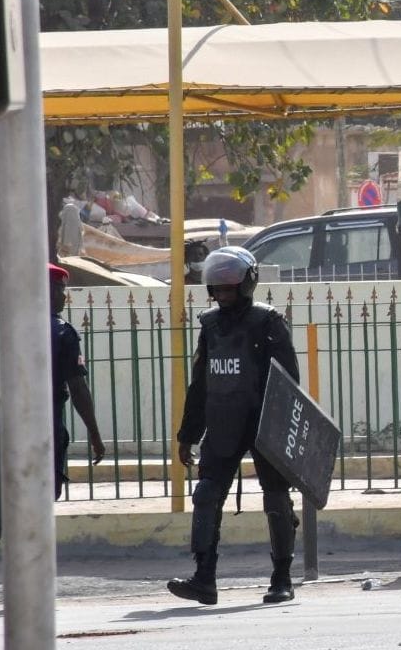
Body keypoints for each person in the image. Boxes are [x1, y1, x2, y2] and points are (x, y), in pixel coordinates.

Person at [167, 246, 301, 605]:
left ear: (247, 284)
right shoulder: (209, 326)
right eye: (218, 289)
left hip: (263, 423)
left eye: (229, 288)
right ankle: (203, 578)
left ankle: (282, 578)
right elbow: (200, 383)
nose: (223, 295)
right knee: (207, 495)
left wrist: (285, 432)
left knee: (275, 499)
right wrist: (187, 435)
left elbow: (289, 381)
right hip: (223, 421)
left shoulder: (268, 321)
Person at [0, 262, 106, 610]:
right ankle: (30, 589)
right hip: (45, 431)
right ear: (46, 291)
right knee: (37, 507)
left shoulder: (3, 328)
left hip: (5, 430)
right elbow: (78, 389)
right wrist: (93, 433)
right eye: (60, 289)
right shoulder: (62, 333)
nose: (64, 296)